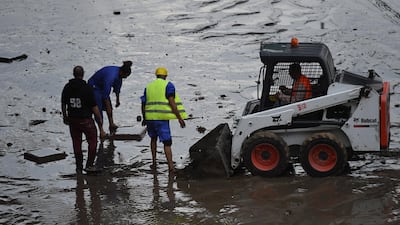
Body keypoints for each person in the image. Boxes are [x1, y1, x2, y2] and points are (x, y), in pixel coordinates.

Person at [141, 67, 187, 174]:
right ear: (165, 76)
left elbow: (143, 103)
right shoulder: (168, 85)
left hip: (150, 118)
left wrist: (144, 117)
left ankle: (153, 161)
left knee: (153, 138)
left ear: (156, 75)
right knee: (167, 142)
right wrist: (179, 118)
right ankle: (171, 166)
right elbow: (172, 102)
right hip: (161, 119)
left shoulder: (148, 87)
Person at [62, 66, 106, 174]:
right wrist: (99, 119)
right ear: (83, 74)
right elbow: (94, 106)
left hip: (73, 120)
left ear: (73, 74)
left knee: (76, 143)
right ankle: (89, 165)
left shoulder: (67, 87)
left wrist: (65, 116)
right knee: (92, 141)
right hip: (86, 120)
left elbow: (63, 103)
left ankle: (79, 166)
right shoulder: (87, 88)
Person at [88, 61, 132, 133]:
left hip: (102, 86)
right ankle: (101, 130)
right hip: (94, 86)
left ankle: (111, 124)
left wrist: (118, 100)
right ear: (122, 73)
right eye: (125, 77)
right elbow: (105, 97)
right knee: (98, 110)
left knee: (109, 107)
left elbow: (117, 88)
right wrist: (107, 104)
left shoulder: (119, 75)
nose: (125, 78)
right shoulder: (111, 77)